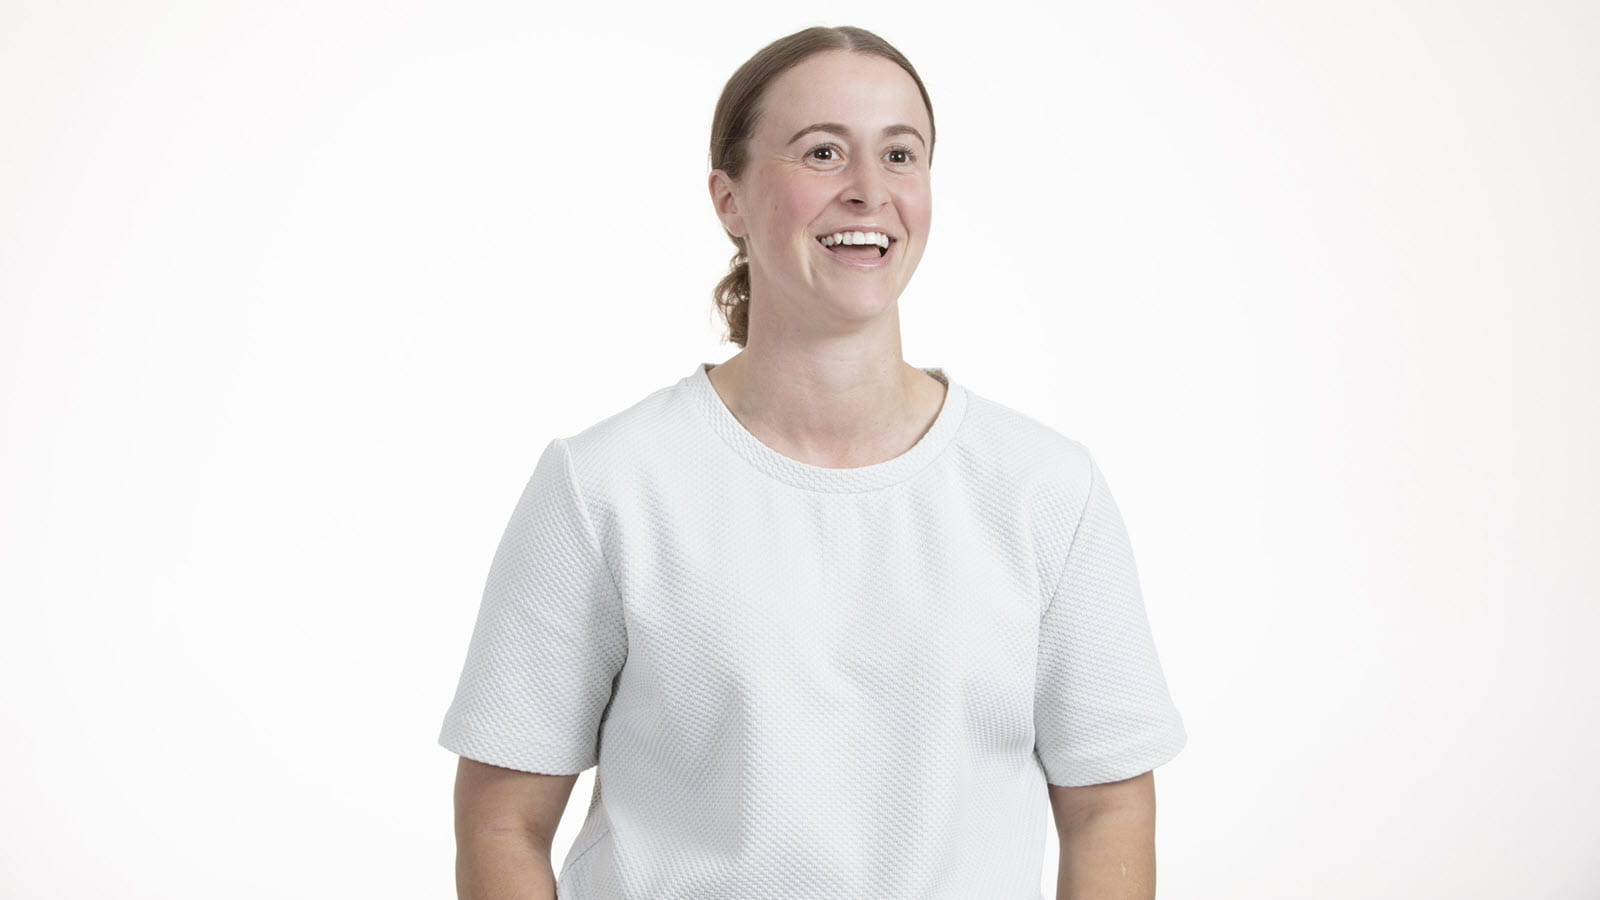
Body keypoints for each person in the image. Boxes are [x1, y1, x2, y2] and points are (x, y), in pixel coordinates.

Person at [438, 24, 1186, 900]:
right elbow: (501, 823)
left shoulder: (1043, 491)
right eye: (823, 153)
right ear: (730, 200)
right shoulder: (607, 487)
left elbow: (1108, 811)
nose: (870, 191)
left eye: (901, 155)